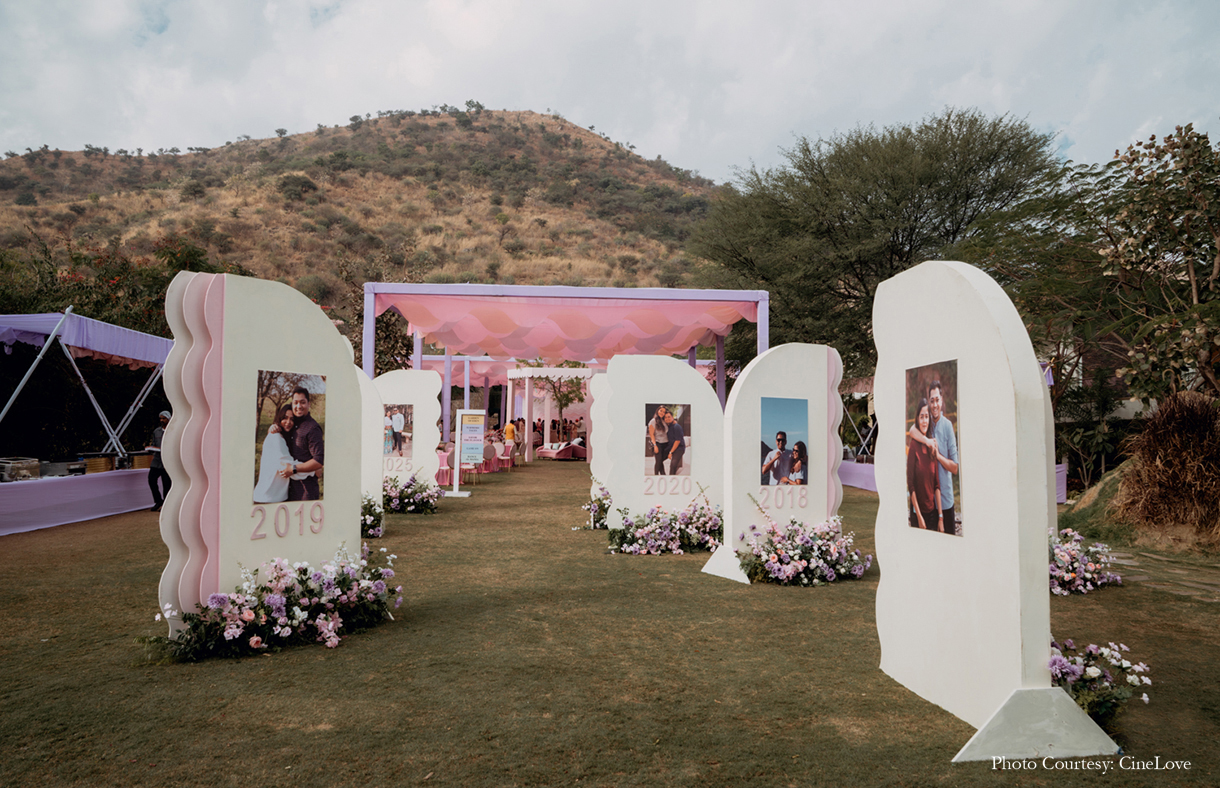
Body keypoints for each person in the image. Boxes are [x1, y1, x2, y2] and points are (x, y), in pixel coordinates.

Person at [907, 379, 960, 534]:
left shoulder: (948, 426)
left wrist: (938, 456)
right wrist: (928, 441)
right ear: (928, 402)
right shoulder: (926, 423)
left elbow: (955, 468)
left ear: (941, 400)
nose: (935, 404)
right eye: (932, 401)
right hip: (929, 506)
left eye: (937, 400)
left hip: (945, 501)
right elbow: (912, 429)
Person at [276, 387, 324, 501]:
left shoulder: (313, 428)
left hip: (306, 492)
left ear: (309, 404)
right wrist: (273, 428)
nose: (299, 406)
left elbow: (318, 461)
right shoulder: (292, 423)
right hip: (288, 489)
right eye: (295, 402)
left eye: (302, 402)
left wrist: (293, 468)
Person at [255, 405, 305, 503]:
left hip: (272, 497)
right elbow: (288, 468)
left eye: (292, 419)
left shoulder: (281, 437)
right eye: (285, 418)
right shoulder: (276, 438)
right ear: (279, 418)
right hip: (268, 499)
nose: (288, 422)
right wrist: (313, 469)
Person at [906, 398, 943, 531]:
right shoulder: (914, 446)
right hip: (918, 515)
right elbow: (911, 485)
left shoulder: (933, 446)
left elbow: (936, 484)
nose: (924, 421)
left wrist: (940, 518)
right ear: (917, 419)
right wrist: (919, 517)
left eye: (927, 417)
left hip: (932, 513)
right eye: (921, 417)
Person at [147, 410, 171, 512]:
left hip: (168, 461)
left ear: (169, 419)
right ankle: (158, 501)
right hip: (157, 460)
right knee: (151, 480)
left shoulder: (173, 430)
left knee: (166, 483)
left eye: (164, 418)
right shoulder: (156, 431)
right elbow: (154, 443)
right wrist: (151, 448)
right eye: (160, 418)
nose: (161, 420)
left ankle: (166, 504)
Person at [648, 405, 669, 476]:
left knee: (660, 461)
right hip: (658, 443)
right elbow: (651, 434)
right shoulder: (653, 421)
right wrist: (655, 445)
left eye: (664, 412)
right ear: (657, 411)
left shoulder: (664, 420)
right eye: (661, 411)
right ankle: (657, 475)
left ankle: (663, 474)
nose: (662, 413)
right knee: (658, 462)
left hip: (666, 444)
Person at [664, 410, 686, 475]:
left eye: (669, 417)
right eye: (665, 417)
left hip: (679, 448)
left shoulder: (677, 427)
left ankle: (671, 477)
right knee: (659, 459)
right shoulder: (668, 426)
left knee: (673, 465)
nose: (667, 419)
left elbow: (677, 441)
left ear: (672, 418)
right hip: (671, 447)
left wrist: (670, 452)